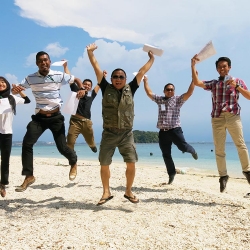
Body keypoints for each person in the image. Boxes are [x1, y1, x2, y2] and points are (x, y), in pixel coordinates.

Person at [87, 43, 154, 205]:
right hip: (108, 133)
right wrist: (90, 53)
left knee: (131, 163)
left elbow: (142, 71)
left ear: (125, 79)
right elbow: (96, 67)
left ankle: (128, 191)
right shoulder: (105, 87)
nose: (118, 79)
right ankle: (106, 192)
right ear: (111, 79)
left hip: (126, 134)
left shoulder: (131, 88)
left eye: (121, 77)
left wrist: (151, 59)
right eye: (115, 77)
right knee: (104, 163)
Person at [13, 51, 85, 192]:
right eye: (40, 61)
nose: (43, 62)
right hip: (39, 117)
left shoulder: (58, 75)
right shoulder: (30, 78)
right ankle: (29, 176)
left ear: (50, 62)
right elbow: (18, 88)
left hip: (56, 118)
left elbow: (76, 79)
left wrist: (81, 88)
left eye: (45, 60)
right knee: (27, 143)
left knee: (62, 148)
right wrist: (15, 89)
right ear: (37, 64)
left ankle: (73, 161)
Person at [191, 55, 250, 192]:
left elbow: (249, 96)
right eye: (219, 67)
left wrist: (238, 87)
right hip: (217, 118)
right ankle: (223, 176)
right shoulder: (214, 83)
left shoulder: (238, 81)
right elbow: (197, 83)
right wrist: (193, 66)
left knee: (241, 145)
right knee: (219, 149)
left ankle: (247, 171)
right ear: (217, 69)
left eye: (224, 66)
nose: (222, 69)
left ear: (229, 67)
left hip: (233, 116)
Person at [143, 76, 198, 185]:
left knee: (182, 147)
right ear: (164, 91)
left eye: (171, 89)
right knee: (166, 154)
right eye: (167, 89)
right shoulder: (160, 100)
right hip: (163, 132)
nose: (169, 91)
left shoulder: (178, 100)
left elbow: (189, 93)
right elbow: (149, 93)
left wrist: (193, 80)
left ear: (174, 91)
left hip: (175, 130)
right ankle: (171, 173)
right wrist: (146, 81)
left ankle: (192, 151)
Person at [0, 77, 31, 197]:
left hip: (7, 133)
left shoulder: (12, 98)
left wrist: (19, 91)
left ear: (7, 85)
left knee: (5, 160)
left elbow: (27, 100)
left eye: (3, 82)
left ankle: (3, 183)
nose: (1, 84)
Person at [63, 62, 103, 154]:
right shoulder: (76, 90)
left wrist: (103, 76)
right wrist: (65, 66)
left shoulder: (91, 94)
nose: (87, 86)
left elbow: (100, 84)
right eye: (85, 84)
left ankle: (92, 146)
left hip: (87, 122)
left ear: (90, 87)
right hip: (75, 121)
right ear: (82, 85)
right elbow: (69, 77)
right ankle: (72, 156)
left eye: (89, 85)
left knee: (90, 140)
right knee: (70, 141)